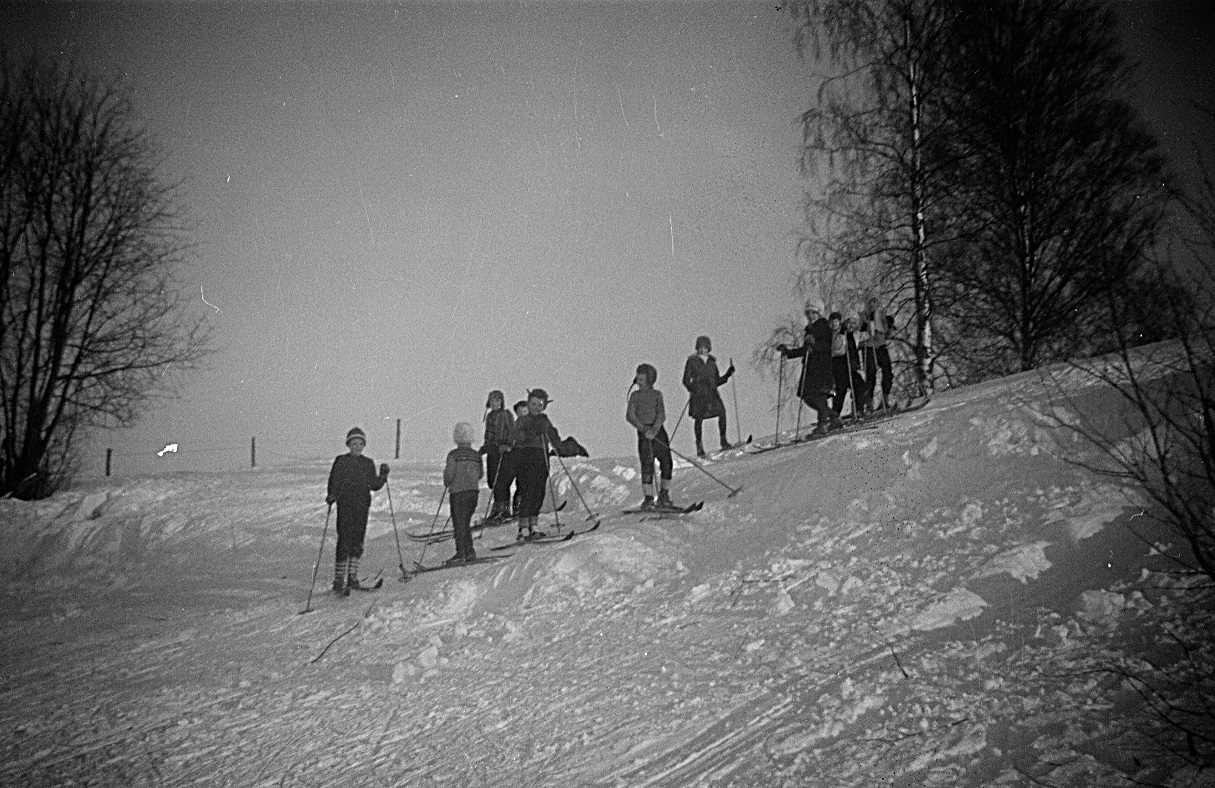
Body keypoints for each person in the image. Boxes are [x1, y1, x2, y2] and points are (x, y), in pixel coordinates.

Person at [325, 426, 389, 593]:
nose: (357, 447)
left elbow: (373, 485)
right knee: (344, 539)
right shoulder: (341, 461)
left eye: (360, 443)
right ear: (348, 444)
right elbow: (334, 480)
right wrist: (332, 494)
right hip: (345, 506)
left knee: (357, 540)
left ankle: (352, 576)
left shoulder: (367, 463)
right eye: (354, 443)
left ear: (364, 445)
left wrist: (382, 477)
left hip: (361, 507)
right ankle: (339, 578)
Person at [777, 299, 840, 435]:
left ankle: (823, 423)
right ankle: (834, 417)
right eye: (809, 313)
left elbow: (827, 345)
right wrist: (788, 352)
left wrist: (814, 348)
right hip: (811, 367)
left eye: (814, 313)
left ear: (819, 313)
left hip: (822, 367)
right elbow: (805, 349)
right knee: (807, 396)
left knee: (819, 395)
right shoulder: (810, 330)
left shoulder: (824, 326)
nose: (811, 316)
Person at [510, 388, 563, 540]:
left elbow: (551, 432)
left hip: (542, 455)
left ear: (544, 406)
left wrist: (557, 443)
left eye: (539, 404)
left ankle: (534, 525)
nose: (536, 407)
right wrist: (532, 432)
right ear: (528, 403)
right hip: (527, 455)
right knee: (527, 490)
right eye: (533, 404)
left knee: (539, 491)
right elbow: (517, 435)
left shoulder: (544, 419)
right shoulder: (523, 420)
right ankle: (523, 527)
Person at [626, 363, 675, 511]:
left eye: (642, 378)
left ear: (650, 379)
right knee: (647, 464)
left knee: (667, 462)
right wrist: (643, 428)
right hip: (643, 433)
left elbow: (661, 413)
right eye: (638, 378)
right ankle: (648, 498)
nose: (639, 381)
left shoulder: (657, 395)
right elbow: (630, 416)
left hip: (658, 431)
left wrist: (654, 428)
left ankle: (664, 494)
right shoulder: (634, 396)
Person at [682, 335, 735, 457]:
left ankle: (723, 440)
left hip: (712, 394)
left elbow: (716, 381)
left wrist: (727, 374)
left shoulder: (712, 362)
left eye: (704, 347)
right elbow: (685, 380)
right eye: (700, 347)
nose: (702, 350)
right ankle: (699, 447)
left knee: (722, 412)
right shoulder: (692, 361)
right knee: (699, 418)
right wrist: (693, 388)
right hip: (699, 395)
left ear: (708, 348)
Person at [444, 422, 483, 565]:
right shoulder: (476, 455)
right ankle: (470, 551)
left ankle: (461, 552)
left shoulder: (454, 455)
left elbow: (449, 474)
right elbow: (480, 474)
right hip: (473, 492)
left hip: (458, 492)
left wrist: (447, 482)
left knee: (459, 523)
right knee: (465, 522)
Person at [481, 390, 514, 522]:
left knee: (502, 481)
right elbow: (488, 435)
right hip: (492, 452)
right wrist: (484, 448)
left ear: (502, 401)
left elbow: (513, 432)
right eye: (492, 400)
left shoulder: (506, 414)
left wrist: (508, 445)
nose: (494, 403)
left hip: (503, 452)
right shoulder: (489, 416)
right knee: (493, 481)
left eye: (497, 400)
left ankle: (505, 509)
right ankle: (496, 508)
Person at [860, 295, 894, 411]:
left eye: (875, 302)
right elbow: (858, 331)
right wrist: (864, 327)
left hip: (881, 346)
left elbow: (887, 332)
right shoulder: (863, 315)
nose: (872, 305)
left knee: (887, 371)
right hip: (869, 347)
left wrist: (889, 327)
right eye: (870, 302)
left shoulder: (881, 314)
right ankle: (869, 403)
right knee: (870, 375)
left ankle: (885, 400)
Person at [843, 315, 869, 417]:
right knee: (857, 386)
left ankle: (857, 409)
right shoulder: (843, 335)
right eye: (850, 323)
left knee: (861, 386)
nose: (852, 326)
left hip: (853, 367)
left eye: (854, 324)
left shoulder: (852, 336)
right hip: (845, 368)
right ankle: (856, 410)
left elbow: (856, 349)